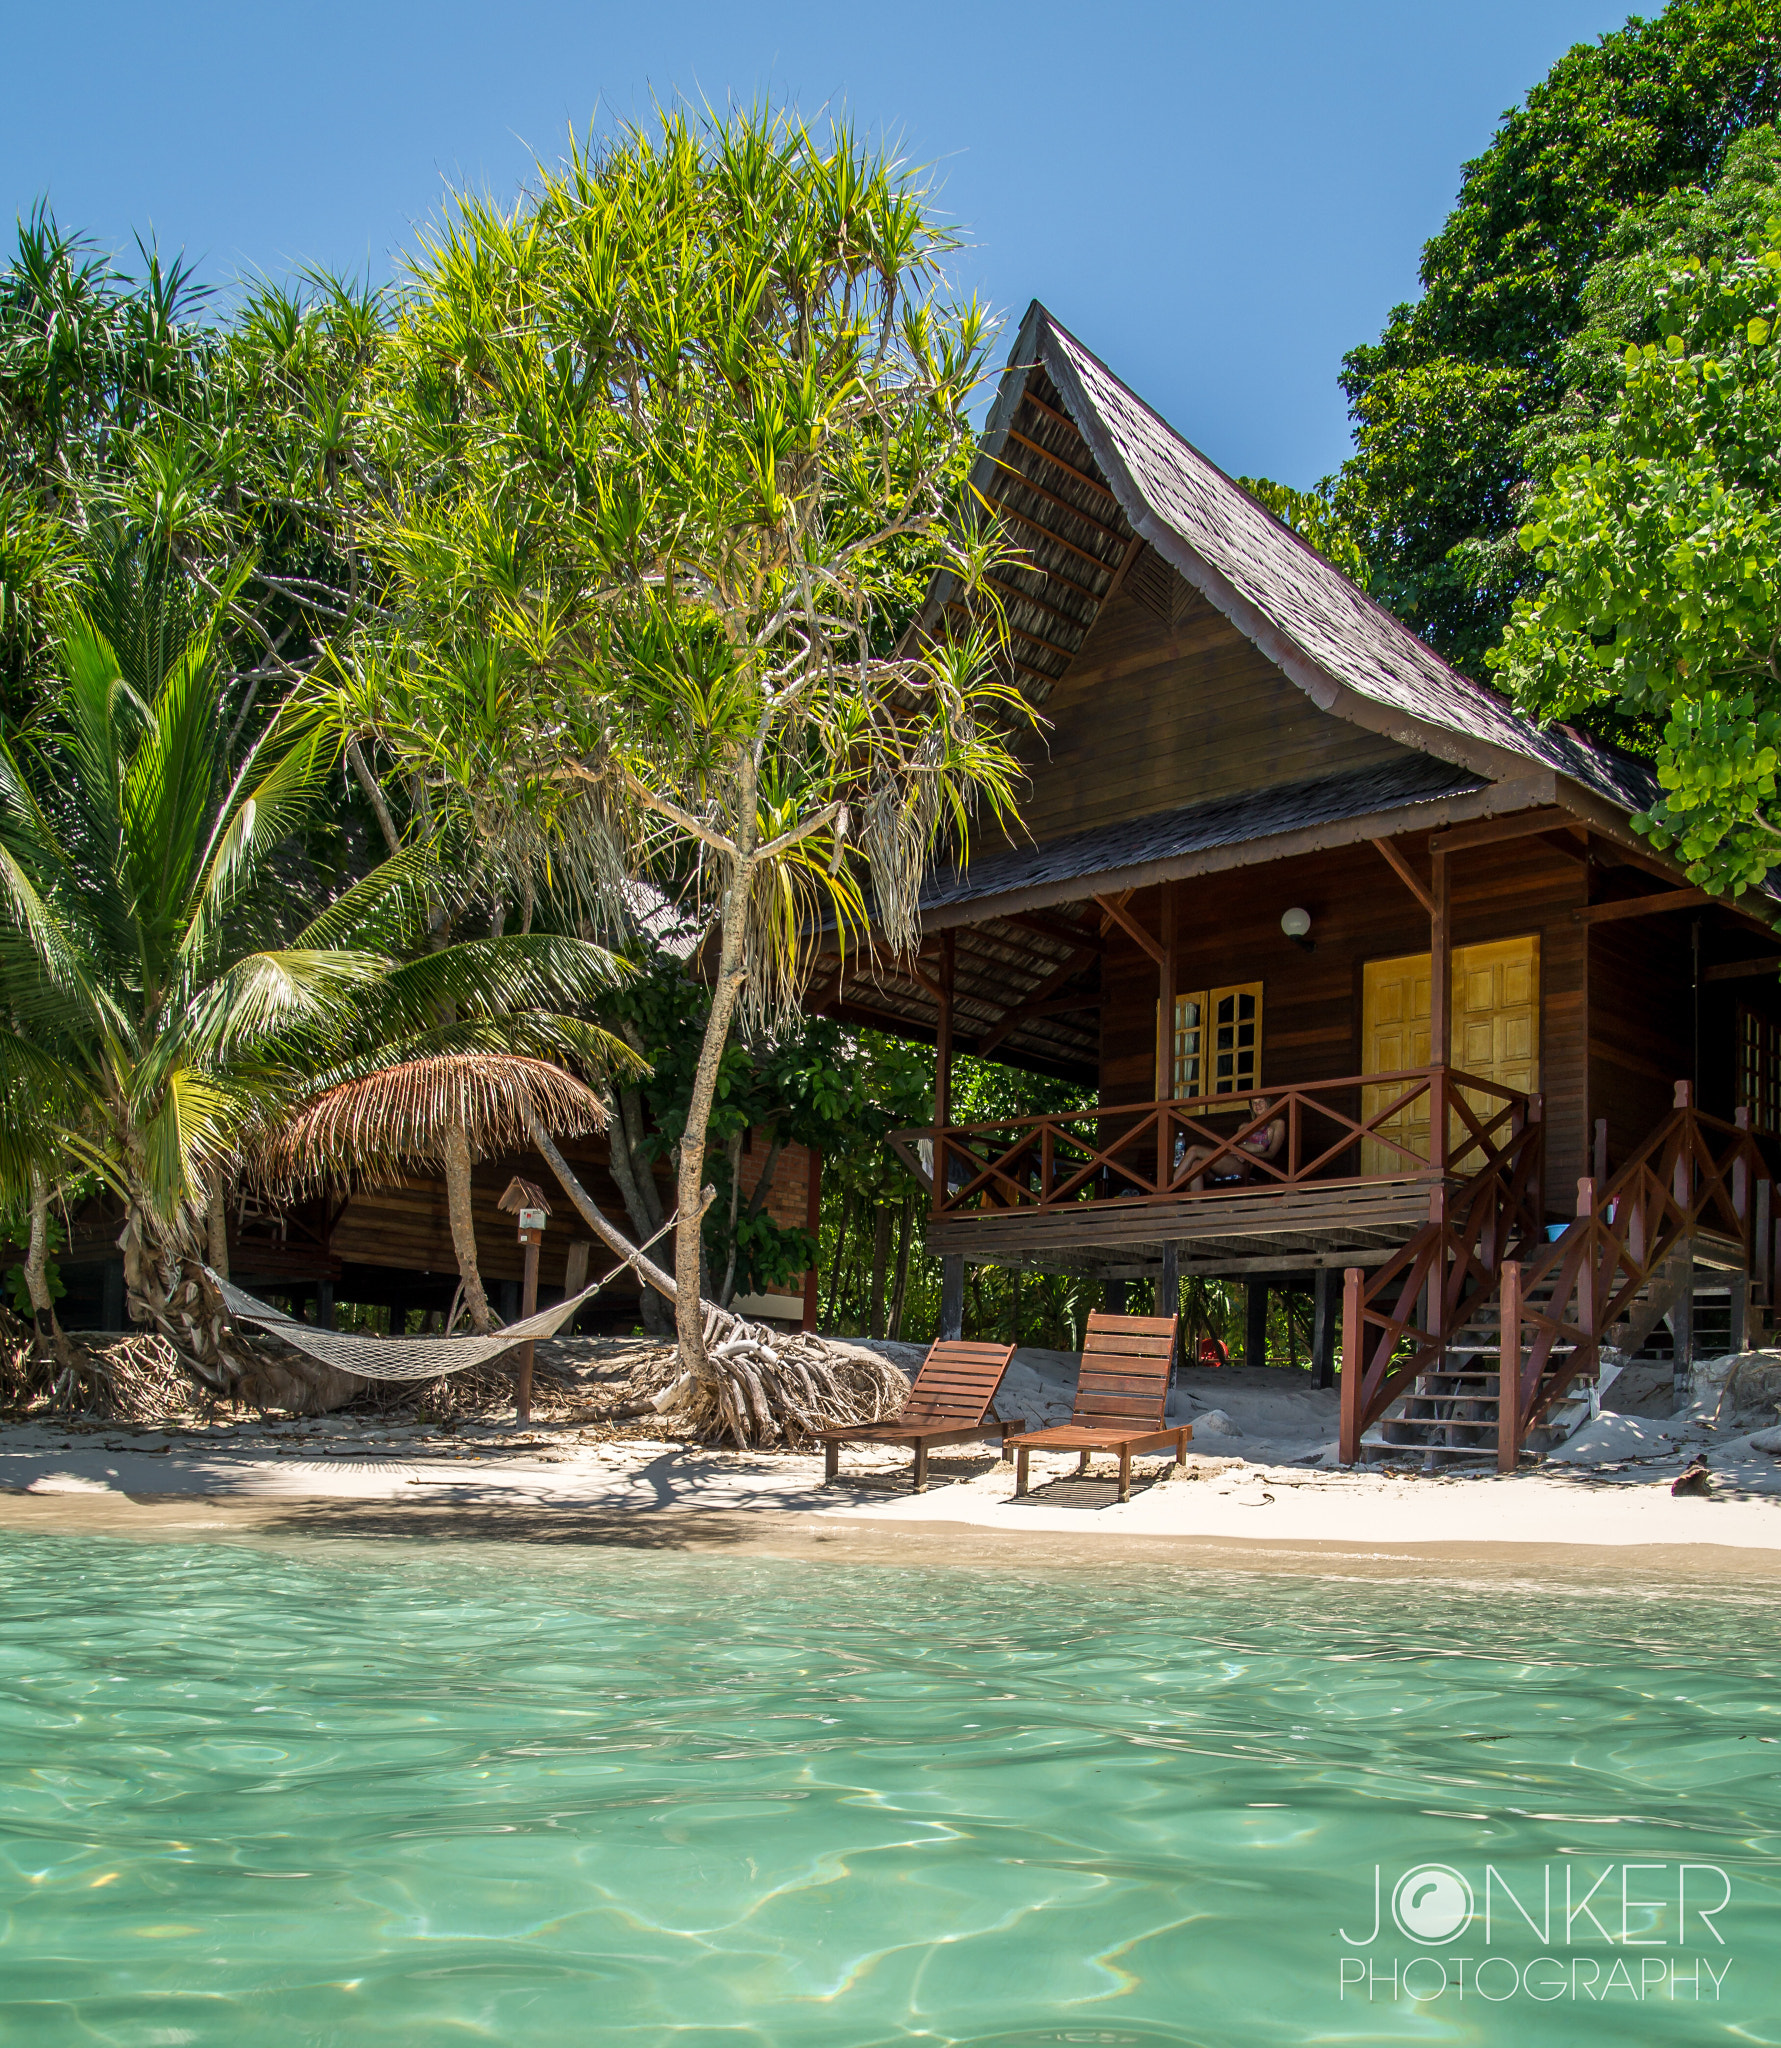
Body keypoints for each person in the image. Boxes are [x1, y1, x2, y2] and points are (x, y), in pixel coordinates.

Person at [1173, 1095, 1286, 1191]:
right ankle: (1196, 1208)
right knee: (1196, 1164)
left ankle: (1171, 1189)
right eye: (1254, 1103)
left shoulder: (1277, 1124)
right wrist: (1237, 1152)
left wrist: (1247, 1156)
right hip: (1229, 1158)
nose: (1257, 1105)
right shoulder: (1244, 1126)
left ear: (1268, 1103)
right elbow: (1232, 1146)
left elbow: (1271, 1153)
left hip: (1244, 1165)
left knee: (1194, 1149)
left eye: (1261, 1101)